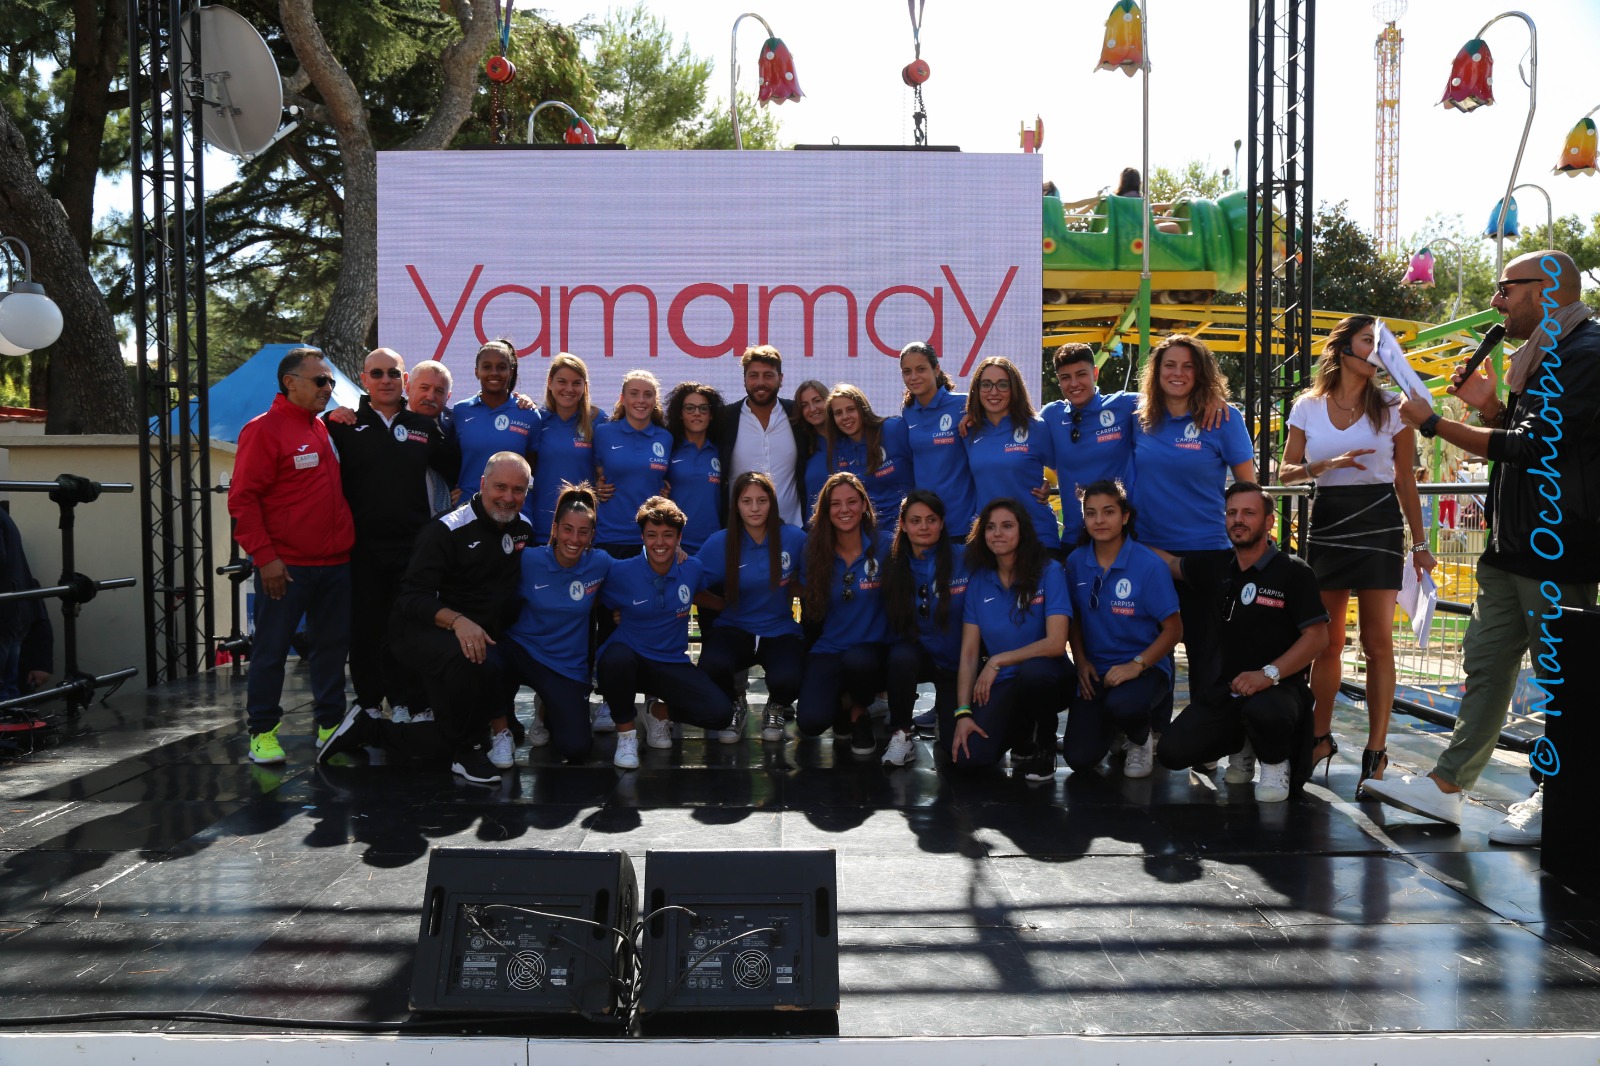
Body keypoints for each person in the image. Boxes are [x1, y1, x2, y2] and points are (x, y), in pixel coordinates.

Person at [1368, 250, 1600, 845]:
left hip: (1558, 550)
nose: (1496, 301)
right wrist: (1490, 407)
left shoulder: (1586, 352)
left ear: (1546, 289)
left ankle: (1558, 800)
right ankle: (1447, 788)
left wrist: (1433, 424)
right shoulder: (1541, 355)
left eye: (1505, 288)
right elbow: (1522, 436)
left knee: (1563, 683)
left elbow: (1533, 447)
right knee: (1486, 664)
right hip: (1511, 545)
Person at [1279, 316, 1435, 793]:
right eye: (1369, 341)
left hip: (1379, 524)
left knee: (1377, 642)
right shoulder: (1307, 406)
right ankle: (1319, 737)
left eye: (1381, 343)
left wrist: (1421, 545)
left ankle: (1376, 750)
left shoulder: (1393, 407)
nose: (1378, 350)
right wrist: (1324, 465)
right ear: (1343, 349)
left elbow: (1405, 479)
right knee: (1326, 643)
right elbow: (1285, 472)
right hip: (1328, 523)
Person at [320, 452, 534, 784]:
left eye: (518, 490)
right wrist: (458, 621)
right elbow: (411, 598)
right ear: (482, 484)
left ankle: (367, 729)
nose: (508, 497)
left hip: (473, 638)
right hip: (420, 632)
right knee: (472, 660)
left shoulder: (523, 530)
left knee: (443, 739)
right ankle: (466, 753)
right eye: (500, 487)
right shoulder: (446, 529)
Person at [1153, 483, 1330, 802]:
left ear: (1269, 521)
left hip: (1278, 690)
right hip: (1228, 692)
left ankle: (1274, 763)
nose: (1238, 520)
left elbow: (1318, 638)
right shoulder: (1217, 565)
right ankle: (1243, 742)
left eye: (1249, 513)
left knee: (1265, 711)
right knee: (1172, 752)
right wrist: (1118, 539)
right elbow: (1170, 565)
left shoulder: (1294, 572)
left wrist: (1268, 674)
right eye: (1232, 513)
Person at [229, 347, 355, 766]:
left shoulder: (321, 426)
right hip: (286, 567)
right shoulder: (263, 430)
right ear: (290, 382)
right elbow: (243, 500)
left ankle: (330, 726)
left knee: (331, 650)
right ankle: (262, 733)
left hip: (334, 563)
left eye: (331, 381)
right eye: (320, 380)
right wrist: (265, 558)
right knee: (271, 651)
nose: (328, 387)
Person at [323, 348, 453, 725]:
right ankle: (367, 701)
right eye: (377, 373)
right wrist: (329, 417)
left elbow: (457, 470)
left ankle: (406, 700)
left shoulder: (424, 428)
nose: (385, 380)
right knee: (366, 629)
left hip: (412, 550)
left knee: (408, 628)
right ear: (363, 379)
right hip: (361, 550)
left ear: (404, 380)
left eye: (393, 373)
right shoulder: (341, 425)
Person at [1130, 334, 1255, 714]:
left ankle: (1208, 737)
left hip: (1207, 553)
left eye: (1188, 366)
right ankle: (1152, 734)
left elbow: (1248, 489)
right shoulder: (1138, 417)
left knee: (1207, 656)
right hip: (1149, 552)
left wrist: (1250, 547)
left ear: (1202, 373)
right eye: (1170, 365)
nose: (1178, 373)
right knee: (1152, 654)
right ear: (1156, 372)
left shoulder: (1224, 418)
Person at [597, 496, 735, 769]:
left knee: (721, 714)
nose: (659, 542)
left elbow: (699, 594)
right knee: (614, 659)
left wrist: (732, 608)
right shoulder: (620, 572)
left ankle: (657, 712)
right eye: (652, 535)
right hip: (630, 660)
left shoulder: (691, 568)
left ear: (679, 538)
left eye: (668, 535)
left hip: (671, 663)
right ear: (642, 537)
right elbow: (595, 599)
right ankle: (626, 736)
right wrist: (616, 614)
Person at [1062, 480, 1182, 778]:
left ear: (1125, 516)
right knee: (1079, 758)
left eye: (1108, 511)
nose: (1099, 520)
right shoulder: (1076, 561)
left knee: (1126, 704)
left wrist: (1136, 665)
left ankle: (1140, 737)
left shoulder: (1149, 564)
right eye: (1091, 513)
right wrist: (1081, 662)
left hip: (1143, 668)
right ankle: (1117, 728)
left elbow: (1174, 630)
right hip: (1097, 671)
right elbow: (1074, 619)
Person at [950, 498, 1072, 779]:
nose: (998, 533)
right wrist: (963, 713)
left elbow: (1056, 643)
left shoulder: (1049, 571)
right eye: (990, 527)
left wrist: (998, 660)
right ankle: (1021, 733)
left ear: (1022, 530)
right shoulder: (979, 580)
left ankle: (1045, 747)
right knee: (971, 758)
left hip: (1049, 677)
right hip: (1004, 684)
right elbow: (969, 653)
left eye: (1007, 526)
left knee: (1034, 674)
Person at [696, 472, 808, 744]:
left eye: (762, 500)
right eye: (747, 501)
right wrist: (719, 603)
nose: (755, 508)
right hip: (735, 627)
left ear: (772, 504)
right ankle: (735, 704)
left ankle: (776, 707)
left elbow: (810, 582)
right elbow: (689, 585)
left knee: (792, 676)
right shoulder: (720, 542)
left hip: (779, 629)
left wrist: (791, 587)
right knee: (711, 665)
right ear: (736, 505)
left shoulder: (794, 538)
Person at [502, 483, 611, 763]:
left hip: (566, 667)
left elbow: (638, 573)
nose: (574, 538)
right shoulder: (528, 559)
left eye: (583, 531)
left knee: (576, 748)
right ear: (554, 529)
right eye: (567, 529)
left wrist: (678, 555)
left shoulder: (600, 563)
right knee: (487, 657)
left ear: (592, 535)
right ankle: (500, 730)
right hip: (523, 652)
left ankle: (546, 707)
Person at [797, 473, 893, 756]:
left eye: (852, 501)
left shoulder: (886, 546)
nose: (844, 510)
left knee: (859, 661)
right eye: (836, 504)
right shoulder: (813, 549)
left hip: (872, 652)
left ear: (864, 505)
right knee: (811, 722)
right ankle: (843, 702)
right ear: (826, 510)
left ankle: (859, 712)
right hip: (830, 648)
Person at [883, 490, 969, 767]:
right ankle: (901, 733)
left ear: (942, 523)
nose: (924, 527)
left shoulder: (966, 558)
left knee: (961, 753)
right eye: (915, 520)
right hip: (919, 656)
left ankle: (946, 713)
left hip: (958, 663)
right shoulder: (892, 563)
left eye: (931, 520)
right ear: (903, 524)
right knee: (900, 657)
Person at [962, 356, 1062, 556]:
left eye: (1002, 385)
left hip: (1037, 537)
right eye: (986, 385)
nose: (994, 392)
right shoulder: (968, 431)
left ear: (1014, 388)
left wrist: (1048, 488)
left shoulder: (1036, 427)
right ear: (976, 389)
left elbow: (1064, 473)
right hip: (992, 541)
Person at [713, 346, 810, 527]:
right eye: (753, 375)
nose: (760, 382)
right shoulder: (725, 418)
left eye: (768, 375)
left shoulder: (797, 415)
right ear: (744, 379)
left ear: (780, 379)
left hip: (792, 529)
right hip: (740, 531)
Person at [451, 340, 541, 505]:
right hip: (469, 508)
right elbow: (447, 461)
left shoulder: (529, 415)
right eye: (487, 367)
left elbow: (534, 469)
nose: (494, 373)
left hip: (513, 510)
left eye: (501, 367)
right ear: (477, 372)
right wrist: (448, 489)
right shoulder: (460, 411)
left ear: (511, 371)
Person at [593, 370, 672, 558]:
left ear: (655, 400)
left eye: (648, 395)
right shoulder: (603, 432)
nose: (641, 400)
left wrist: (666, 492)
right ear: (622, 399)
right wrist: (596, 488)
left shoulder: (666, 438)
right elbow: (594, 474)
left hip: (651, 538)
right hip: (610, 537)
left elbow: (668, 480)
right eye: (634, 394)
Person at [900, 342, 976, 538]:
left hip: (962, 521)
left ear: (936, 369)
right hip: (926, 524)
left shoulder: (964, 404)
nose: (913, 377)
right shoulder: (908, 411)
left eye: (921, 369)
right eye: (907, 372)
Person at [532, 353, 606, 543]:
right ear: (550, 382)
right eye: (562, 382)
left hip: (583, 530)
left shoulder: (598, 420)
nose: (569, 389)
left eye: (576, 383)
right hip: (542, 525)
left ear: (585, 386)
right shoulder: (536, 419)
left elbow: (614, 465)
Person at [826, 384, 914, 535]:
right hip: (873, 533)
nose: (845, 416)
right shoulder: (839, 448)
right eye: (838, 413)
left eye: (851, 409)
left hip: (909, 527)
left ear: (863, 408)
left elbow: (922, 468)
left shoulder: (893, 429)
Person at [665, 382, 726, 553]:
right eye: (690, 408)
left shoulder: (722, 451)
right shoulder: (669, 449)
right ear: (680, 414)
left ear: (711, 415)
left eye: (703, 408)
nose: (697, 413)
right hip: (676, 545)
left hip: (714, 543)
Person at [407, 359, 461, 517]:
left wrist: (466, 488)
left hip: (446, 520)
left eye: (439, 391)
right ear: (408, 387)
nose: (430, 397)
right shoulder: (391, 421)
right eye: (424, 388)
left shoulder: (457, 425)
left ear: (448, 396)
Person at [793, 379, 833, 526]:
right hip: (816, 530)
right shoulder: (803, 447)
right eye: (805, 405)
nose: (812, 408)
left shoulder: (849, 441)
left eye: (817, 401)